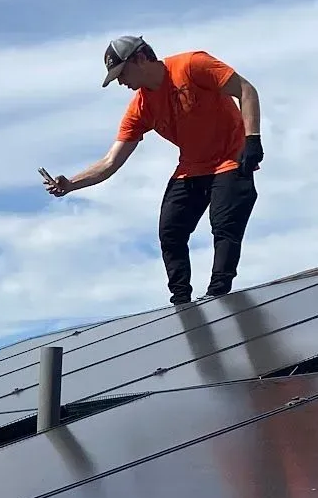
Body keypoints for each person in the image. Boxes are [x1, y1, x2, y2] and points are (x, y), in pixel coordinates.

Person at [43, 37, 262, 304]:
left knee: (224, 224)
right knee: (171, 230)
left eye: (122, 73)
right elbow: (111, 162)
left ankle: (217, 292)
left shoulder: (193, 65)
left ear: (141, 59)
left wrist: (253, 139)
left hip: (230, 159)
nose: (121, 82)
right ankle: (181, 300)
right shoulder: (141, 106)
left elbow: (246, 90)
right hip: (191, 168)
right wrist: (71, 184)